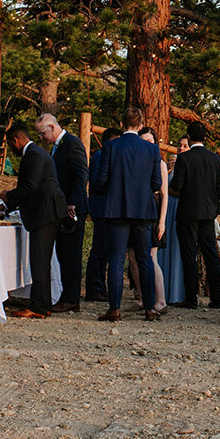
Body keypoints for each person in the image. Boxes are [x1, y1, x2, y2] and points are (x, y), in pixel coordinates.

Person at [90, 107, 164, 322]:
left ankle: (114, 309)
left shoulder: (111, 146)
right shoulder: (151, 149)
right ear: (141, 125)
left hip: (117, 208)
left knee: (116, 257)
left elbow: (101, 179)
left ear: (122, 125)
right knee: (144, 258)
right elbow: (156, 183)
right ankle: (149, 308)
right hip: (142, 209)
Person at [0, 122, 66, 318]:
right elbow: (31, 188)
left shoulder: (33, 155)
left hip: (45, 212)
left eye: (9, 144)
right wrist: (7, 205)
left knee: (39, 261)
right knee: (42, 261)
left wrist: (8, 196)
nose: (10, 148)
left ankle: (38, 307)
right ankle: (44, 304)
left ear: (15, 140)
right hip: (48, 211)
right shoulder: (37, 153)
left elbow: (31, 186)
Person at [168, 120, 220, 309]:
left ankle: (191, 298)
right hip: (208, 213)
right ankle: (216, 299)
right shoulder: (215, 159)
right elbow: (219, 187)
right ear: (205, 138)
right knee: (210, 255)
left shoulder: (184, 159)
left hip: (187, 212)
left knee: (189, 254)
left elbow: (176, 185)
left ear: (189, 137)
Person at [36, 113, 87, 314]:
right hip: (61, 207)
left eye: (42, 134)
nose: (41, 138)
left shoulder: (72, 143)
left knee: (71, 255)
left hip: (72, 209)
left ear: (52, 127)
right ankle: (67, 296)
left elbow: (81, 174)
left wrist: (72, 202)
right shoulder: (58, 147)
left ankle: (71, 298)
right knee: (64, 255)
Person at [137, 125, 173, 313]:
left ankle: (161, 300)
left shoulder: (160, 163)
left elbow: (165, 195)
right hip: (138, 209)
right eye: (143, 141)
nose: (147, 144)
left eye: (150, 141)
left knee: (152, 256)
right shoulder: (137, 161)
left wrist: (162, 222)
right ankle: (144, 298)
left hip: (155, 208)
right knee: (136, 256)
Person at [84, 143, 110, 300]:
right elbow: (97, 182)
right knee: (99, 249)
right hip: (101, 207)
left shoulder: (101, 155)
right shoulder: (101, 156)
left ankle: (100, 286)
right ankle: (94, 287)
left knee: (104, 250)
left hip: (104, 207)